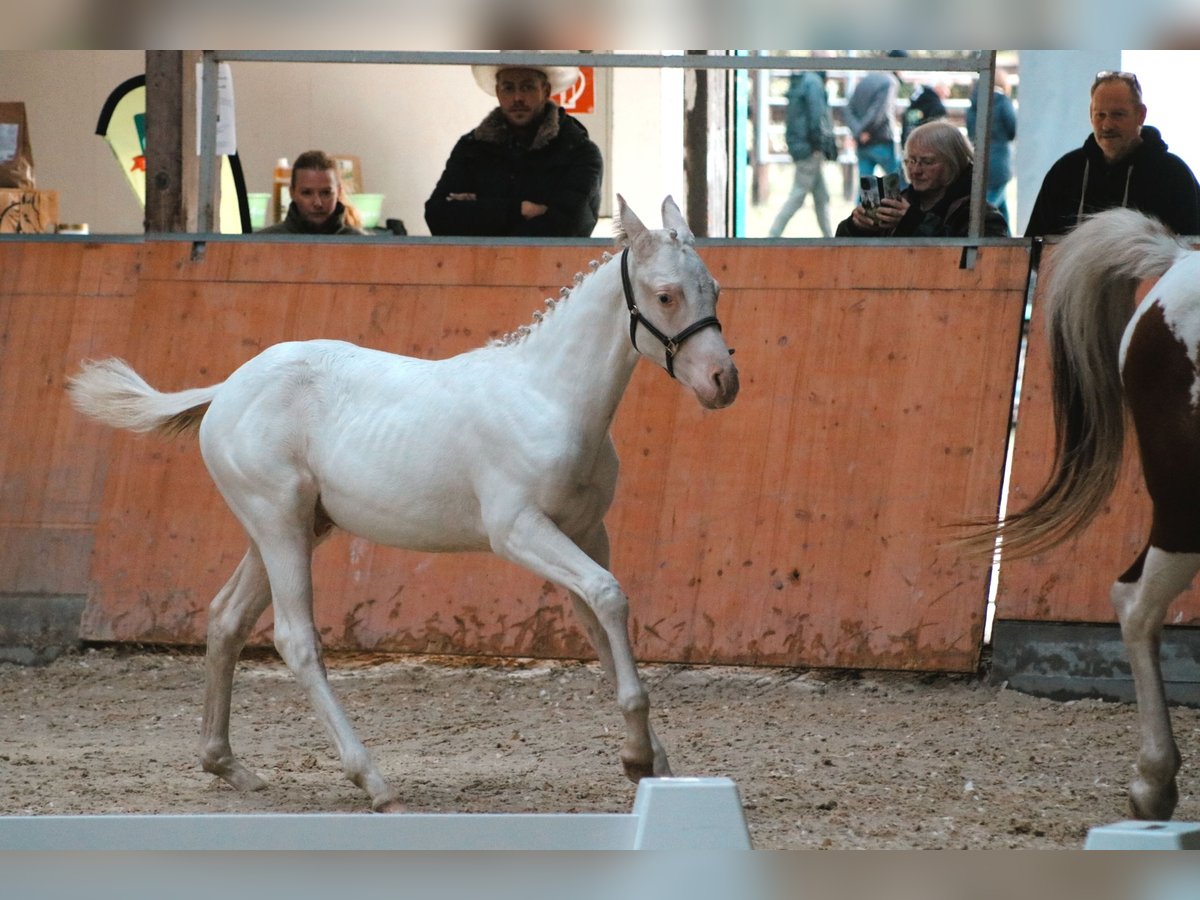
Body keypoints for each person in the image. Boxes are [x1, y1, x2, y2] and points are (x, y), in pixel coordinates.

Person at [424, 63, 603, 237]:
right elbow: (437, 217)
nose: (517, 97)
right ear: (498, 92)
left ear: (546, 91)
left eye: (527, 87)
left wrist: (479, 211)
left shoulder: (579, 152)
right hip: (479, 267)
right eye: (508, 88)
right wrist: (521, 210)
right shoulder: (471, 148)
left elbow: (568, 228)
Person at [1025, 70, 1200, 237]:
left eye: (1118, 115)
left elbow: (1193, 251)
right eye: (1100, 115)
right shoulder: (1066, 172)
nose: (1107, 125)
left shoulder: (1173, 176)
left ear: (1141, 115)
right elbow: (1033, 248)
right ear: (1090, 115)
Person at [835, 119, 1008, 237]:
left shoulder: (980, 215)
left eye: (927, 162)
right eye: (910, 161)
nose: (915, 170)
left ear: (953, 162)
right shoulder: (899, 202)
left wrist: (911, 221)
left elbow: (972, 263)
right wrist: (857, 226)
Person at [767, 69, 833, 238]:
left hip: (801, 145)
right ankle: (772, 235)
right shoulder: (814, 84)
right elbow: (817, 115)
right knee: (798, 195)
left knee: (821, 196)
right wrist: (820, 144)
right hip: (810, 148)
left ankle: (830, 238)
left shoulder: (803, 81)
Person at [257, 150, 366, 235]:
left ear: (338, 192)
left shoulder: (364, 247)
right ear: (292, 192)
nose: (318, 203)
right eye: (307, 193)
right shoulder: (261, 245)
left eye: (326, 193)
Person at [843, 52, 903, 192]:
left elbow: (849, 108)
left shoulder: (865, 80)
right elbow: (880, 111)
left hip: (863, 143)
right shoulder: (889, 82)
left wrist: (858, 132)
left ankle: (862, 213)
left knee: (866, 188)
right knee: (895, 183)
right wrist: (865, 131)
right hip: (881, 140)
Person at [966, 70, 1017, 230]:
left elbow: (970, 131)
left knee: (1001, 207)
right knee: (988, 208)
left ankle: (1006, 239)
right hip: (999, 160)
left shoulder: (973, 103)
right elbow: (1012, 130)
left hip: (979, 157)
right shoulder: (1003, 102)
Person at [900, 80, 947, 148]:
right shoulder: (937, 107)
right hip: (927, 148)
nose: (947, 93)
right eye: (946, 90)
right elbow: (938, 134)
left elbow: (906, 122)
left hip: (909, 145)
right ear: (938, 89)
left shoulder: (914, 104)